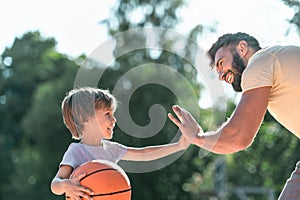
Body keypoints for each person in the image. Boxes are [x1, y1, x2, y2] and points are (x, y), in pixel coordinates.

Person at [168, 32, 300, 199]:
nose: (221, 76)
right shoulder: (275, 61)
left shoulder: (259, 62)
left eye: (222, 63)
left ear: (242, 48)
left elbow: (237, 137)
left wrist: (196, 137)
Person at [51, 87, 191, 200]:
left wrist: (179, 145)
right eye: (107, 114)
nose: (114, 120)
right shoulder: (76, 151)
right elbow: (55, 184)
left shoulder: (111, 149)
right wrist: (65, 186)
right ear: (84, 118)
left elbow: (143, 154)